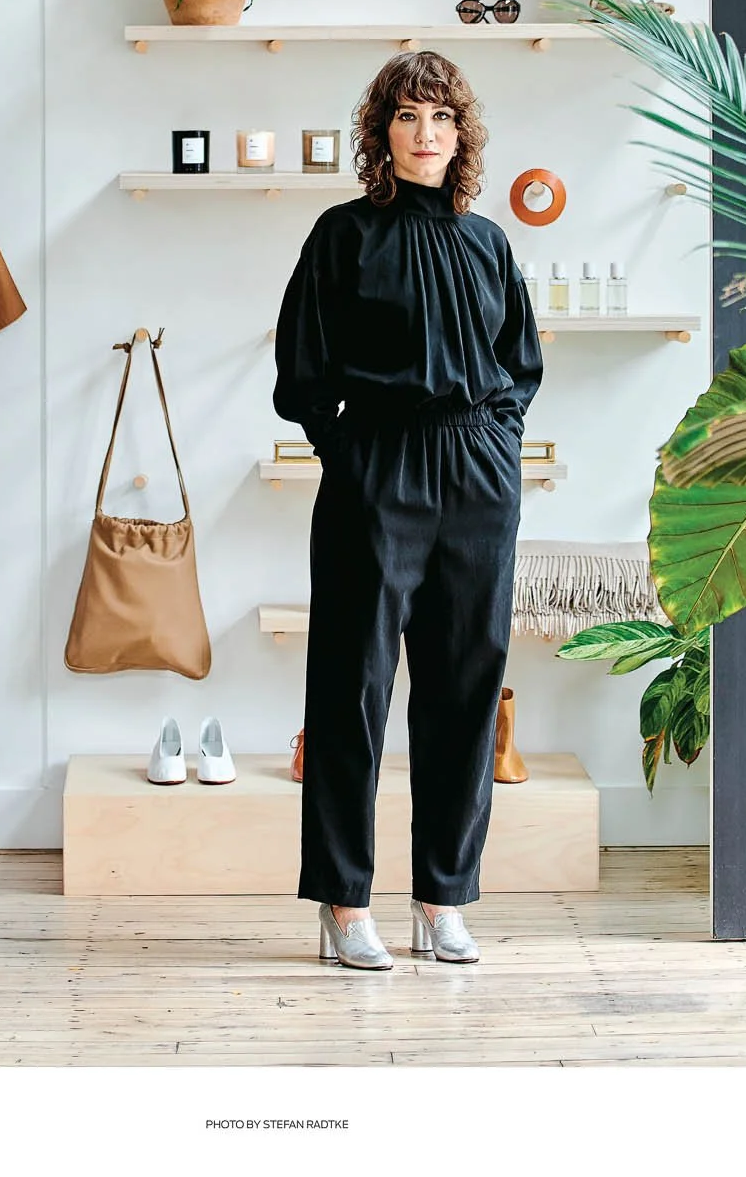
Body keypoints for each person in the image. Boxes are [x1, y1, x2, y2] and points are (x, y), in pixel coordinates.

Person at [272, 50, 544, 970]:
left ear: (460, 134)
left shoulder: (488, 241)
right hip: (376, 466)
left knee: (465, 687)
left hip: (478, 471)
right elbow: (302, 371)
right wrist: (347, 451)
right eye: (407, 118)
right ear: (380, 136)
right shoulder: (343, 234)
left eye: (441, 118)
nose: (426, 135)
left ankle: (443, 898)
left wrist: (497, 441)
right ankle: (345, 903)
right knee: (353, 689)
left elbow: (522, 364)